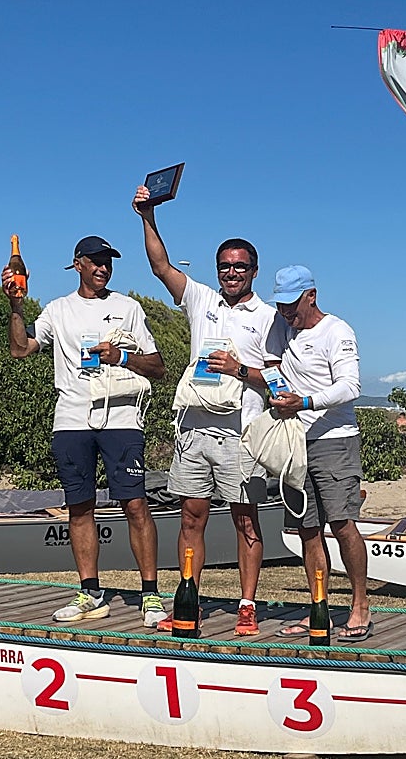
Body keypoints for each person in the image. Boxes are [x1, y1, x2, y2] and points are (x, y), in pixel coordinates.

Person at [3, 235, 168, 626]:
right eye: (94, 262)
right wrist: (14, 305)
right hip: (72, 420)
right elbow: (20, 349)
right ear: (77, 264)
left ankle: (151, 595)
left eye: (108, 262)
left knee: (135, 504)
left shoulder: (127, 307)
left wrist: (122, 356)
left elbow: (158, 367)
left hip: (122, 419)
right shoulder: (58, 310)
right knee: (79, 508)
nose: (103, 268)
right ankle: (90, 592)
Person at [134, 184, 276, 636]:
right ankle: (188, 595)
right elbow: (160, 266)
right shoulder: (201, 299)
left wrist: (239, 370)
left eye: (240, 267)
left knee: (245, 519)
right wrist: (147, 215)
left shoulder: (270, 318)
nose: (231, 273)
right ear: (217, 270)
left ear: (254, 271)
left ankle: (247, 605)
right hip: (194, 429)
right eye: (225, 266)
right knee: (190, 516)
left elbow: (276, 383)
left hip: (242, 432)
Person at [265, 266, 371, 641]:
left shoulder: (337, 331)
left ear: (311, 294)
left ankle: (360, 606)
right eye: (281, 306)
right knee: (308, 529)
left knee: (342, 524)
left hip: (335, 439)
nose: (286, 314)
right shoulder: (282, 327)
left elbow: (350, 387)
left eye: (292, 306)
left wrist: (305, 402)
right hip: (295, 442)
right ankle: (319, 609)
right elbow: (270, 365)